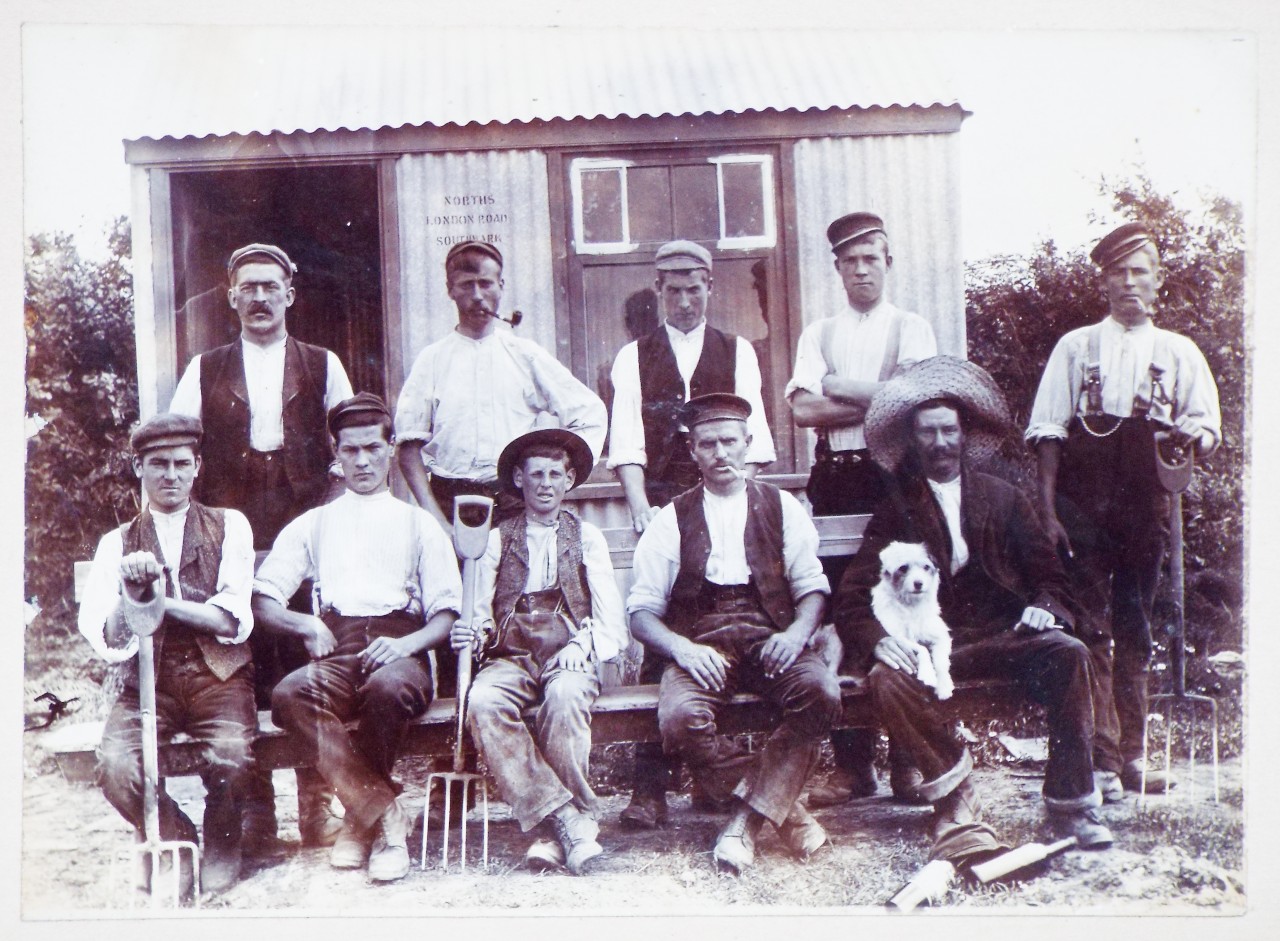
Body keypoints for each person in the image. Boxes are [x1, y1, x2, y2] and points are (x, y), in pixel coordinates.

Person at [835, 356, 1114, 856]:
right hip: (930, 645)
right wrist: (879, 643)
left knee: (1068, 652)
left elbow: (1052, 577)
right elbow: (854, 596)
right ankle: (953, 794)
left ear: (965, 435)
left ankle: (1072, 805)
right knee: (885, 680)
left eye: (948, 431)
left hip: (1000, 636)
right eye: (927, 433)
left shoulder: (1006, 498)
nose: (940, 443)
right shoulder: (897, 507)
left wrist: (1046, 606)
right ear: (912, 440)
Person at [169, 242, 354, 852]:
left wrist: (327, 516)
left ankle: (315, 805)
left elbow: (350, 446)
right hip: (232, 525)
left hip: (306, 519)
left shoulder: (324, 364)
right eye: (247, 287)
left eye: (270, 286)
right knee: (239, 658)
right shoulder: (205, 368)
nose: (259, 297)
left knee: (306, 658)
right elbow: (178, 446)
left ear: (289, 294)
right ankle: (256, 814)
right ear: (230, 297)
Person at [1026, 222, 1222, 795]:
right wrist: (1048, 510)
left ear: (1158, 280)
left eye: (1141, 271)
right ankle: (1100, 758)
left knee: (1134, 623)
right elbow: (1047, 434)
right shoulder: (1076, 347)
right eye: (1119, 272)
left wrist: (1194, 433)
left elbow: (1207, 429)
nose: (1130, 282)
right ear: (1104, 282)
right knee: (1088, 625)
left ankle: (1132, 756)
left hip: (1145, 501)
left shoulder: (1179, 352)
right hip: (1082, 503)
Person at [627, 393, 841, 874]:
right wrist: (681, 648)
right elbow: (641, 614)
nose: (720, 453)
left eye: (729, 442)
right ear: (693, 452)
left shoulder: (782, 507)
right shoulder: (671, 518)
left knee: (821, 691)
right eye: (708, 444)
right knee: (680, 718)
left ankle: (743, 821)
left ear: (748, 444)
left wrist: (795, 634)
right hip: (701, 640)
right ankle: (788, 812)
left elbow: (811, 589)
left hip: (770, 634)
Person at [253, 394, 462, 883]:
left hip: (402, 648)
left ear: (391, 449)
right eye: (351, 451)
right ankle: (383, 814)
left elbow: (446, 616)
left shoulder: (419, 524)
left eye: (373, 447)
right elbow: (263, 601)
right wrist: (306, 624)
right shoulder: (315, 524)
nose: (363, 461)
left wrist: (407, 646)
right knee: (288, 694)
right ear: (336, 455)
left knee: (387, 689)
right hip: (340, 647)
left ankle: (358, 824)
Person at [607, 239, 777, 829]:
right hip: (661, 508)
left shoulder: (739, 353)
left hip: (723, 501)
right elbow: (625, 442)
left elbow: (752, 445)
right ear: (658, 292)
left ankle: (712, 781)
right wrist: (640, 511)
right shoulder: (633, 356)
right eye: (672, 289)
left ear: (710, 288)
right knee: (663, 632)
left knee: (722, 627)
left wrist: (736, 506)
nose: (683, 299)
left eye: (694, 288)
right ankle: (649, 790)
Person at [785, 212, 938, 807]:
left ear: (888, 261)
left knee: (905, 606)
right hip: (836, 475)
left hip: (896, 476)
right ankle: (857, 767)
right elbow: (802, 412)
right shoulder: (819, 333)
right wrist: (878, 396)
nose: (862, 268)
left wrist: (841, 389)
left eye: (872, 257)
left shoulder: (912, 327)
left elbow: (914, 401)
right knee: (844, 609)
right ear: (838, 268)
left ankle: (907, 763)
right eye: (851, 260)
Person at [78, 414, 257, 897]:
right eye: (158, 464)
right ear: (139, 467)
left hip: (216, 675)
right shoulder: (116, 544)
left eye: (181, 464)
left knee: (235, 753)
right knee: (115, 767)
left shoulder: (230, 526)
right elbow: (108, 638)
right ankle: (176, 835)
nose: (171, 475)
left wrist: (157, 600)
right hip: (145, 680)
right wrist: (129, 596)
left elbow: (231, 620)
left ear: (198, 467)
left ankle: (222, 840)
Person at [450, 429, 628, 875]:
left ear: (569, 481)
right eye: (536, 475)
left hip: (569, 649)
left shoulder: (586, 537)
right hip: (511, 654)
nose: (545, 483)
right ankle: (570, 820)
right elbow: (481, 610)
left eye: (555, 474)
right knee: (485, 701)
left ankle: (552, 834)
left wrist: (583, 644)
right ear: (518, 479)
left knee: (566, 696)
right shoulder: (496, 538)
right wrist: (474, 632)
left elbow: (610, 617)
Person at [395, 240, 608, 529]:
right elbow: (408, 450)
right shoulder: (431, 361)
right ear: (450, 290)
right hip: (449, 507)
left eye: (486, 284)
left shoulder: (524, 355)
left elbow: (589, 413)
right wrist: (435, 520)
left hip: (515, 506)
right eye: (466, 285)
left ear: (501, 285)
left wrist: (556, 475)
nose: (478, 295)